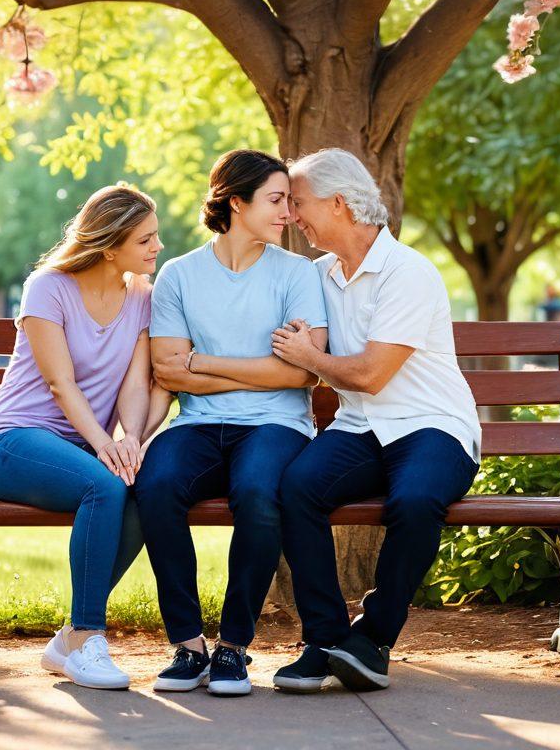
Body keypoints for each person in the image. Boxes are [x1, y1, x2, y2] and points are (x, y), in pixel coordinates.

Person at [269, 148, 481, 694]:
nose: (292, 215)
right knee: (296, 488)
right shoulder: (316, 275)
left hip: (432, 426)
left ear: (339, 204)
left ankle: (373, 639)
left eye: (298, 202)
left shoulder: (408, 272)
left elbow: (370, 374)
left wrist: (308, 357)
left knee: (414, 501)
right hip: (360, 429)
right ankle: (324, 642)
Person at [134, 149, 328, 697]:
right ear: (236, 202)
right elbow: (169, 371)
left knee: (259, 494)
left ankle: (234, 647)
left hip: (277, 426)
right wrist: (264, 369)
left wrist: (205, 361)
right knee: (156, 486)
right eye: (275, 200)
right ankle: (189, 645)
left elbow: (301, 377)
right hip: (197, 425)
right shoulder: (179, 275)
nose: (288, 211)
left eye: (291, 200)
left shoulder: (297, 274)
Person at [0, 184, 164, 691]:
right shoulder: (48, 286)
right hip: (13, 442)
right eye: (145, 239)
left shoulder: (141, 297)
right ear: (109, 244)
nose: (157, 247)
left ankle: (70, 640)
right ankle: (87, 639)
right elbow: (60, 384)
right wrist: (106, 446)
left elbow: (134, 383)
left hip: (83, 447)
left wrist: (130, 440)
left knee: (145, 491)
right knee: (103, 486)